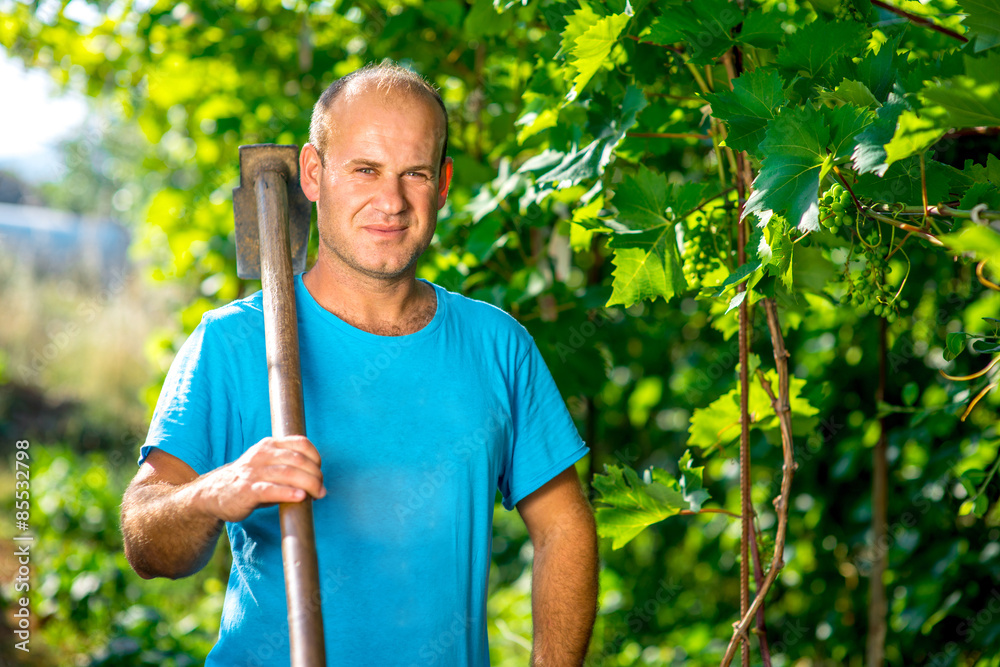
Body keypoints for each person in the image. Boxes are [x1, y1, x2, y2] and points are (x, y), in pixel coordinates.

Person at [120, 61, 598, 666]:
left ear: (443, 183)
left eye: (415, 174)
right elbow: (148, 545)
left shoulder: (497, 345)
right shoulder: (234, 343)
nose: (391, 201)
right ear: (314, 174)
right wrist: (213, 492)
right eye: (366, 169)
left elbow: (564, 527)